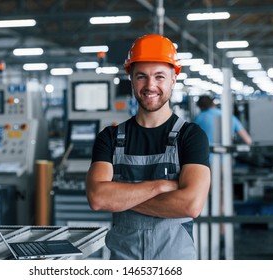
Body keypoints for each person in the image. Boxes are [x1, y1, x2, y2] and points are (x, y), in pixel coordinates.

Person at [86, 34, 211, 260]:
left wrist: (122, 197)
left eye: (159, 77)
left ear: (173, 80)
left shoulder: (191, 136)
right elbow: (98, 198)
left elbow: (191, 205)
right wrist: (160, 186)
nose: (150, 85)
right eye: (141, 77)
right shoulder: (110, 138)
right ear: (131, 79)